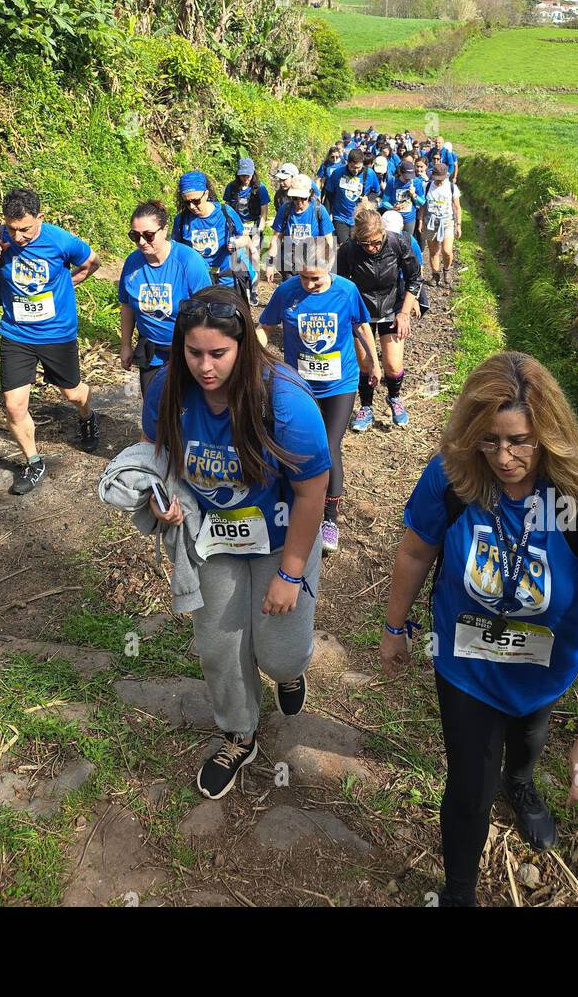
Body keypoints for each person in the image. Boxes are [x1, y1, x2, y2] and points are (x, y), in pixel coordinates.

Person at [381, 351, 578, 907]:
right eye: (489, 440)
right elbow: (414, 552)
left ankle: (521, 782)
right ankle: (458, 892)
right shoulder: (454, 476)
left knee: (527, 738)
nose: (505, 458)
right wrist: (394, 624)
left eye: (521, 441)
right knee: (468, 787)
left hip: (546, 666)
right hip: (467, 666)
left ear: (548, 432)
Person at [141, 288, 331, 799]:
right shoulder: (166, 390)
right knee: (221, 647)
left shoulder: (286, 401)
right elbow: (156, 457)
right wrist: (165, 498)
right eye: (194, 352)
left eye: (218, 354)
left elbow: (313, 492)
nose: (205, 366)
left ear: (245, 346)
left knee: (279, 652)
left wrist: (292, 573)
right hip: (211, 535)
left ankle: (290, 674)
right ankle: (239, 733)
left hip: (280, 535)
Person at [0, 188, 101, 495]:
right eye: (12, 228)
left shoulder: (60, 239)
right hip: (16, 334)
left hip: (57, 332)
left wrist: (71, 281)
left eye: (25, 229)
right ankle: (34, 462)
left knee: (73, 394)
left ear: (40, 218)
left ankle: (87, 416)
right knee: (13, 405)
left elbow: (92, 261)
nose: (18, 236)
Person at [259, 253, 379, 555]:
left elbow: (363, 327)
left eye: (316, 278)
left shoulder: (346, 291)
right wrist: (250, 355)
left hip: (340, 383)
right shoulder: (287, 292)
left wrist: (374, 364)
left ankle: (329, 518)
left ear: (329, 270)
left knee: (328, 445)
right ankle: (290, 504)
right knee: (287, 442)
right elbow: (265, 327)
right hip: (298, 385)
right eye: (304, 277)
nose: (310, 284)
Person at [337, 207, 421, 432]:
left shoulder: (397, 242)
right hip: (361, 311)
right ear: (358, 239)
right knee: (366, 363)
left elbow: (414, 277)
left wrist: (404, 313)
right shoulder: (348, 250)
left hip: (391, 307)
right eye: (366, 244)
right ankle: (366, 406)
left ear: (383, 234)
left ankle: (395, 398)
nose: (372, 248)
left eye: (376, 242)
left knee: (392, 365)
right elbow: (342, 285)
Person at [118, 200, 211, 397]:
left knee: (188, 407)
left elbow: (208, 309)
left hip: (187, 350)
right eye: (135, 236)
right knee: (153, 409)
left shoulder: (189, 261)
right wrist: (125, 344)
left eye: (148, 235)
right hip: (151, 351)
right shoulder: (133, 263)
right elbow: (126, 305)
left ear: (165, 230)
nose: (141, 242)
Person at [171, 171, 256, 300]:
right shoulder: (182, 220)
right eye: (187, 202)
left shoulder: (225, 213)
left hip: (227, 279)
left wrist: (237, 243)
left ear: (206, 194)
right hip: (197, 281)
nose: (192, 207)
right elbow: (174, 251)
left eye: (196, 201)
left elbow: (246, 239)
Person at [266, 174, 335, 283]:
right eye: (295, 198)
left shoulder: (319, 210)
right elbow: (276, 238)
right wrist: (269, 264)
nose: (299, 202)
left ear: (310, 194)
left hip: (313, 261)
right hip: (290, 260)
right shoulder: (285, 210)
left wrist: (328, 265)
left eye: (303, 198)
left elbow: (329, 240)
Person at [224, 158, 270, 305]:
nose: (245, 178)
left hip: (254, 226)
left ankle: (254, 290)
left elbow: (264, 214)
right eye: (242, 175)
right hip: (238, 227)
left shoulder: (260, 189)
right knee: (238, 258)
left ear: (253, 173)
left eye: (248, 175)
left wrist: (258, 232)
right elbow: (227, 210)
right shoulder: (231, 188)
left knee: (254, 257)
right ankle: (241, 289)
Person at [323, 148, 381, 246]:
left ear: (362, 163)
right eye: (353, 167)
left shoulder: (370, 174)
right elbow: (329, 196)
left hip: (360, 218)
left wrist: (368, 199)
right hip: (340, 217)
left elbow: (376, 192)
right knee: (345, 246)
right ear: (347, 163)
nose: (356, 170)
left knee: (359, 247)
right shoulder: (337, 174)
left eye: (358, 167)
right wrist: (326, 217)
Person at [421, 163, 462, 286]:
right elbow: (423, 205)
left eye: (440, 179)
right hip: (430, 222)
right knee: (433, 251)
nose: (438, 182)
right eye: (436, 179)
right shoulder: (426, 186)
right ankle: (435, 274)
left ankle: (447, 270)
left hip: (447, 221)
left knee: (447, 250)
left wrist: (458, 225)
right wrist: (421, 222)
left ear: (445, 176)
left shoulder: (452, 188)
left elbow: (457, 207)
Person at [381, 157, 425, 239]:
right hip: (394, 219)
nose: (407, 179)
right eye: (405, 177)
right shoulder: (392, 181)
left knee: (407, 241)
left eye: (410, 177)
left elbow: (422, 202)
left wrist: (414, 195)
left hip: (409, 218)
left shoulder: (416, 182)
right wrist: (392, 208)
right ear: (400, 172)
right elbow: (384, 202)